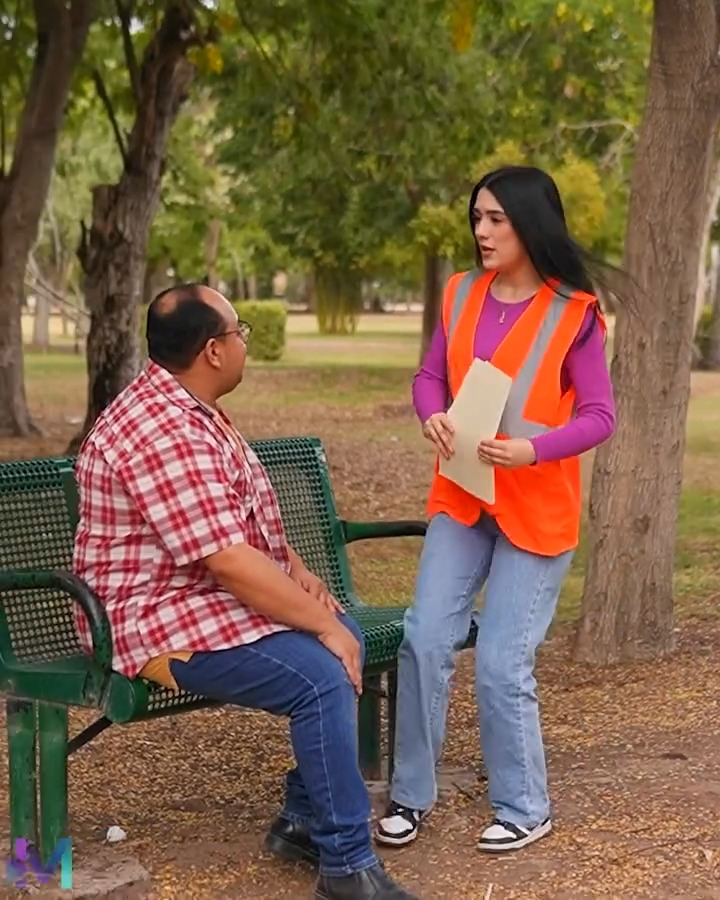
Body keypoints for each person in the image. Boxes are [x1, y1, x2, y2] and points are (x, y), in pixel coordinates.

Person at [72, 284, 418, 900]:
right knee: (321, 673)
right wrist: (318, 623)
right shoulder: (159, 430)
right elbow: (228, 560)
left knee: (345, 633)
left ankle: (303, 820)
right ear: (212, 351)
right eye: (239, 333)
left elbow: (232, 518)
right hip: (153, 620)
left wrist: (297, 570)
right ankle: (347, 868)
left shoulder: (188, 406)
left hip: (197, 596)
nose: (243, 344)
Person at [374, 165, 617, 854]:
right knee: (425, 638)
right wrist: (432, 417)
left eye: (495, 219)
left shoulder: (576, 313)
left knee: (504, 662)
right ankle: (410, 795)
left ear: (530, 223)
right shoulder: (459, 294)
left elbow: (600, 417)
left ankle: (524, 804)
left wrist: (531, 454)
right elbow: (430, 378)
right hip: (462, 494)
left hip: (535, 507)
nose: (481, 231)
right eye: (476, 218)